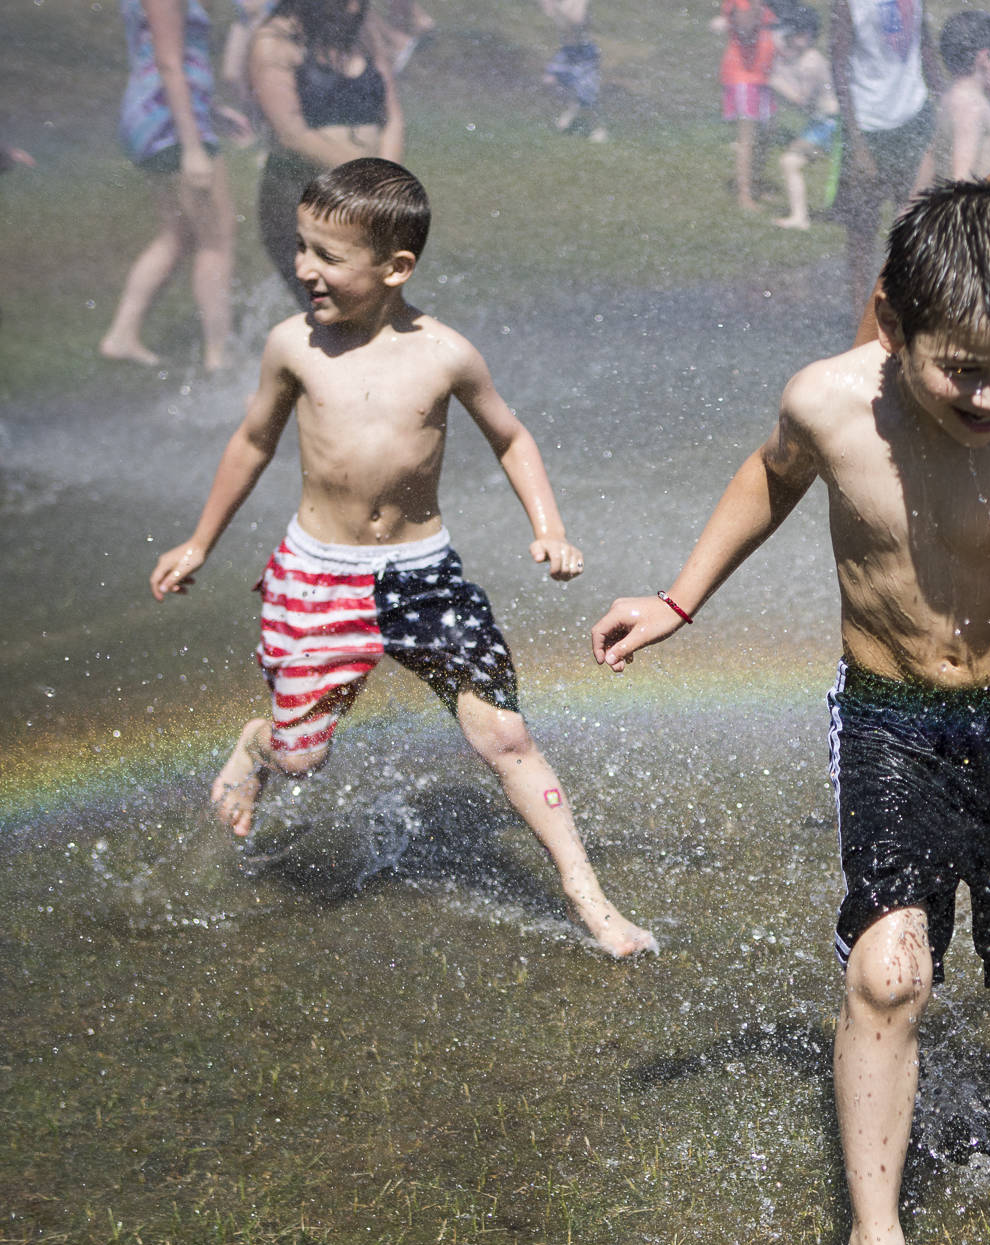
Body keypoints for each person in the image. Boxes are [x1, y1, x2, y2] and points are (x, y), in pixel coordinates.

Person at [589, 182, 990, 1245]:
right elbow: (769, 478)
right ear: (890, 319)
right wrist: (679, 598)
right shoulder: (827, 405)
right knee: (890, 970)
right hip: (888, 717)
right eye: (960, 370)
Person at [147, 159, 655, 961]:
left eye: (326, 255)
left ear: (396, 268)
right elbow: (252, 441)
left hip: (425, 574)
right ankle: (259, 744)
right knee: (302, 756)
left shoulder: (445, 354)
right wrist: (200, 540)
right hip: (321, 573)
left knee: (506, 736)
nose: (304, 268)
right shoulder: (294, 346)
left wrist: (549, 525)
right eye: (302, 248)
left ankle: (589, 899)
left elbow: (511, 435)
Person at [101, 0, 251, 371]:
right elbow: (168, 63)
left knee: (178, 235)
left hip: (159, 116)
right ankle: (220, 352)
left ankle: (122, 335)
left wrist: (212, 109)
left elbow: (164, 56)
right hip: (169, 122)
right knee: (216, 237)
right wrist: (193, 147)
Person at [250, 0, 402, 302]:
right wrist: (370, 177)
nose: (355, 6)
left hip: (368, 196)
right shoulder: (274, 42)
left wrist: (389, 182)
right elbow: (292, 134)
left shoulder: (361, 31)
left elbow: (393, 116)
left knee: (377, 306)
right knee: (330, 309)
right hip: (305, 197)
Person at [830, 0, 940, 320]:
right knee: (862, 228)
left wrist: (943, 96)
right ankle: (858, 316)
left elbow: (926, 45)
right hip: (868, 123)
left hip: (914, 116)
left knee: (912, 222)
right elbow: (838, 65)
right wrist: (856, 140)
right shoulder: (848, 4)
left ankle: (907, 310)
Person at [917, 10, 990, 186]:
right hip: (974, 209)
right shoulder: (970, 106)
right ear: (985, 58)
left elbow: (932, 156)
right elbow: (960, 179)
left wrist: (910, 206)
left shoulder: (952, 97)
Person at [769, 4, 839, 228]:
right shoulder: (804, 57)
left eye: (789, 34)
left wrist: (774, 82)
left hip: (829, 125)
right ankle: (802, 216)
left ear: (804, 35)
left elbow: (803, 101)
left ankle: (800, 218)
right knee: (791, 163)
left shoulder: (811, 61)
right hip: (822, 123)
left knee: (790, 163)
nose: (783, 40)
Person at [715, 0, 778, 212]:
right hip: (744, 75)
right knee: (747, 138)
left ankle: (756, 184)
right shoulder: (743, 2)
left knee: (766, 133)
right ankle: (744, 195)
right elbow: (744, 29)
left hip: (763, 76)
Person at [541, 0, 607, 142]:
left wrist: (556, 8)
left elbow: (576, 21)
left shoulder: (578, 3)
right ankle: (570, 112)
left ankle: (598, 128)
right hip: (567, 53)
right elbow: (554, 16)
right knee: (551, 82)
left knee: (586, 94)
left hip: (584, 54)